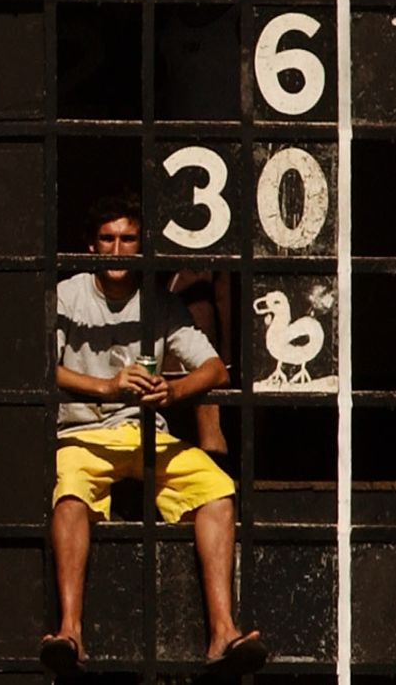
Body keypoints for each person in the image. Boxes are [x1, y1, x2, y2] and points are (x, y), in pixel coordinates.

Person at [40, 195, 266, 679]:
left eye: (127, 239)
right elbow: (41, 368)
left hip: (147, 433)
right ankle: (71, 632)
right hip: (82, 434)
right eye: (108, 239)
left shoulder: (159, 303)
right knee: (71, 495)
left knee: (217, 492)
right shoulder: (67, 294)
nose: (118, 250)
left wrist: (174, 389)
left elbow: (213, 369)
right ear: (91, 245)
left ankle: (222, 633)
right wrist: (106, 386)